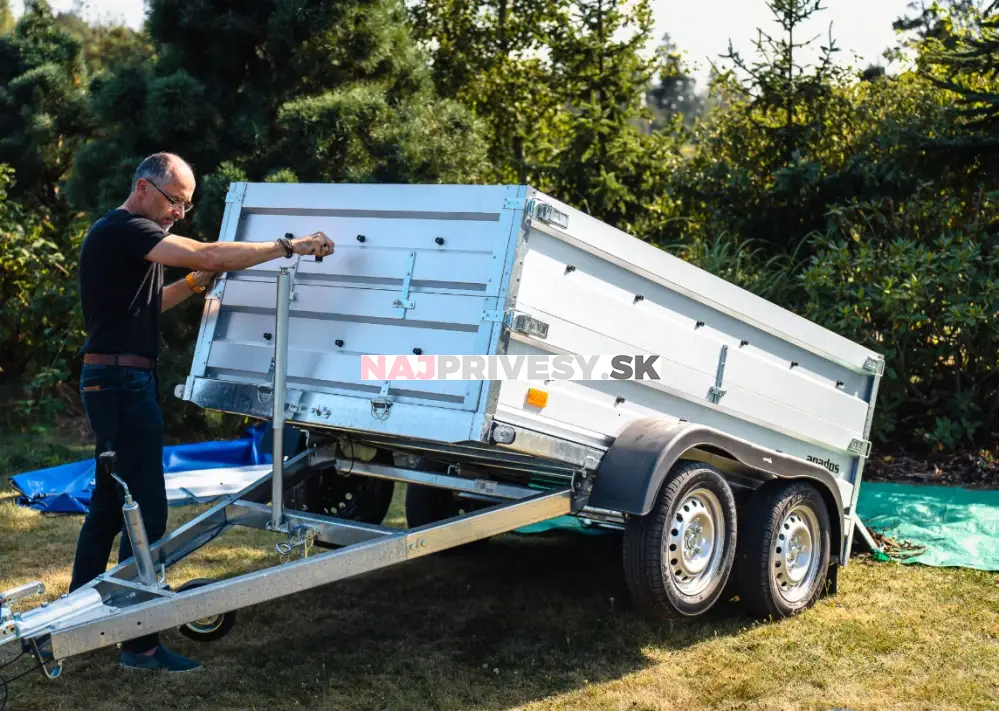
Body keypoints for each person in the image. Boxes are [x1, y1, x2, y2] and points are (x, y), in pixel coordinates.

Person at [70, 152, 334, 672]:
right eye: (176, 201)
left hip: (114, 378)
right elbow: (207, 253)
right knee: (148, 511)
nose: (179, 213)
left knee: (108, 507)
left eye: (186, 206)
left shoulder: (123, 238)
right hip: (122, 383)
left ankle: (74, 622)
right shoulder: (124, 229)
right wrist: (289, 246)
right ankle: (138, 643)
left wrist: (190, 288)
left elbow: (141, 308)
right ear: (145, 189)